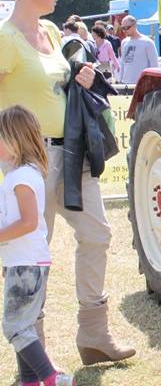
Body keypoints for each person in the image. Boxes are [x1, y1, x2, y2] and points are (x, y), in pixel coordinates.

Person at [0, 0, 135, 366]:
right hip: (28, 160)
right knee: (31, 251)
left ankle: (94, 335)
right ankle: (32, 351)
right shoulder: (5, 40)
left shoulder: (52, 32)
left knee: (97, 234)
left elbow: (58, 84)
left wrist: (83, 77)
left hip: (73, 151)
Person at [0, 106, 78, 386]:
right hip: (25, 263)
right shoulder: (24, 174)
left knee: (15, 327)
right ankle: (29, 381)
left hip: (26, 266)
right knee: (25, 326)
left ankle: (52, 378)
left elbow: (29, 222)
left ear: (15, 140)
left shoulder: (21, 178)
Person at [118, 15, 159, 84]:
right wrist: (120, 80)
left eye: (127, 28)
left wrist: (152, 82)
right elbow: (123, 63)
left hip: (142, 84)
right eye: (123, 28)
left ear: (135, 26)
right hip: (125, 83)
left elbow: (154, 65)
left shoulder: (148, 42)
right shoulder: (124, 42)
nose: (124, 30)